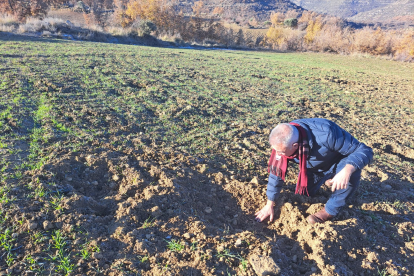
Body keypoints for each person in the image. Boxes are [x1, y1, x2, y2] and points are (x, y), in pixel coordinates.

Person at [255, 118, 374, 224]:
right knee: (307, 192)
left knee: (351, 172)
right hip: (313, 166)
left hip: (339, 161)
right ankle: (327, 178)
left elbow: (364, 150)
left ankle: (329, 211)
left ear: (295, 145)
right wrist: (269, 204)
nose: (278, 154)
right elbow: (276, 173)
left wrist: (347, 170)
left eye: (281, 152)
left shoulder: (327, 133)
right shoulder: (283, 144)